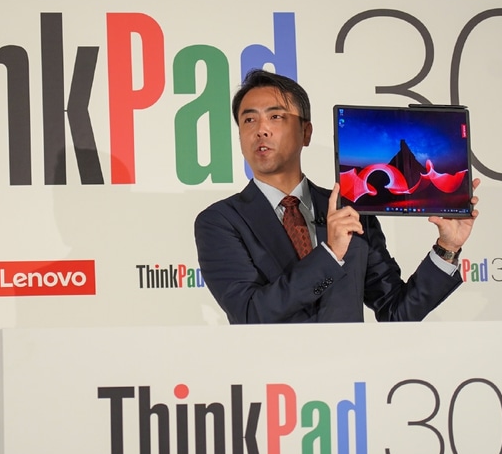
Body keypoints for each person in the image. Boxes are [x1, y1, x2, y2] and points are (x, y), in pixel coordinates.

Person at [194, 69, 479, 324]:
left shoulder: (352, 211)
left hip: (350, 366)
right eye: (249, 120)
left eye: (275, 116)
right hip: (275, 367)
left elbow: (396, 312)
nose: (261, 130)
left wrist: (447, 247)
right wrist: (330, 254)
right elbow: (249, 313)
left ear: (306, 132)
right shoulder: (220, 221)